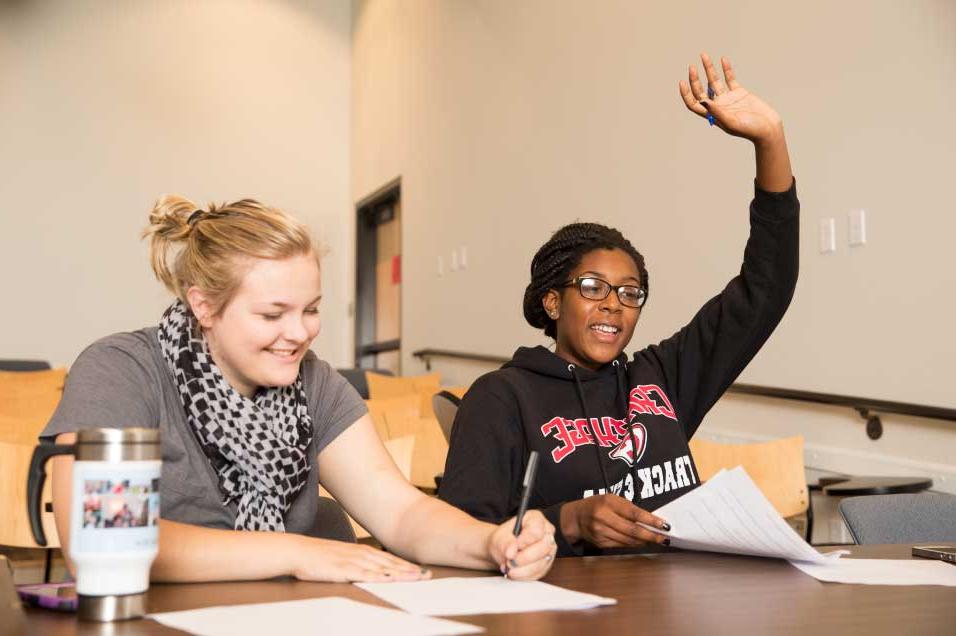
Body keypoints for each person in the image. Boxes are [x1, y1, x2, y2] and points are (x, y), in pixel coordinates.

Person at [44, 196, 556, 582]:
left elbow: (402, 514)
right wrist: (296, 551)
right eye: (272, 314)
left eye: (311, 309)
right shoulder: (121, 370)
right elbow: (106, 540)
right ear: (203, 306)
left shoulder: (316, 383)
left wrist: (490, 542)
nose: (300, 333)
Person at [439, 53, 798, 557]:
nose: (613, 305)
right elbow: (459, 536)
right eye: (592, 287)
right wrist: (569, 521)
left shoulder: (661, 379)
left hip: (676, 604)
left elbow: (767, 287)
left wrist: (771, 139)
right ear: (552, 301)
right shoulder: (501, 398)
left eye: (630, 293)